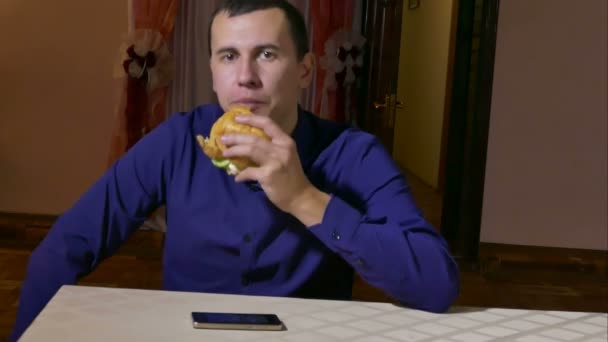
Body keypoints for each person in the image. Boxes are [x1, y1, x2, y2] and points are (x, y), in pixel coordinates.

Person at [10, 0, 460, 340]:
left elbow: (435, 284)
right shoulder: (178, 140)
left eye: (266, 54)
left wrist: (306, 199)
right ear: (211, 70)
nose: (245, 77)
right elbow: (69, 244)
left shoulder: (353, 153)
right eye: (228, 56)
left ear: (305, 70)